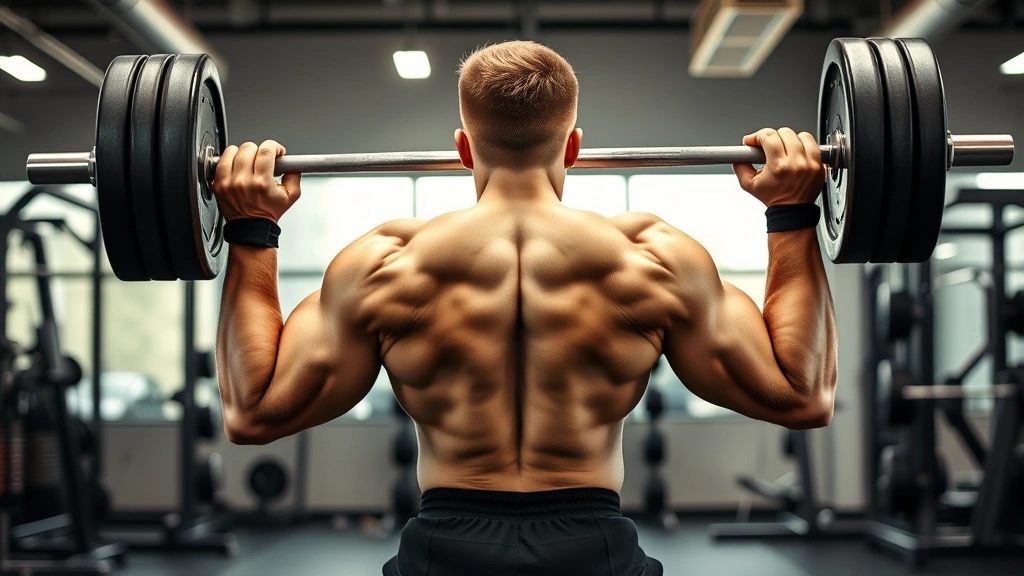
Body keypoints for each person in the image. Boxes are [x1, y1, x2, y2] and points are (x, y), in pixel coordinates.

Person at [212, 40, 837, 576]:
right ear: (573, 146)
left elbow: (252, 412)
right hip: (593, 547)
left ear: (463, 147)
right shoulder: (650, 258)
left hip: (443, 549)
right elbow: (802, 395)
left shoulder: (385, 263)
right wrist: (790, 214)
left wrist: (252, 227)